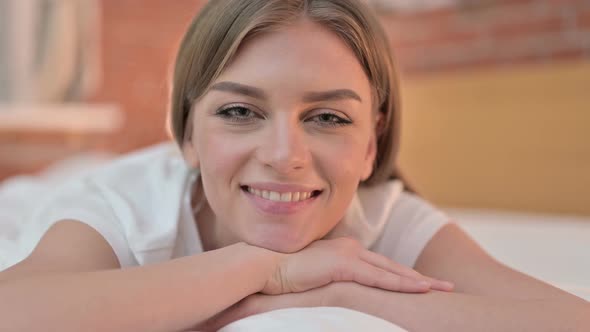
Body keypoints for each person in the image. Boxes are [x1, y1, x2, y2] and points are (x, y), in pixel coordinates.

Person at [0, 0, 588, 331]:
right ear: (187, 135)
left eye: (328, 118)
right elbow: (16, 311)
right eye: (238, 110)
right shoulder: (126, 206)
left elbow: (566, 320)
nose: (285, 155)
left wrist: (346, 297)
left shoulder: (383, 218)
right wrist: (270, 273)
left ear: (371, 145)